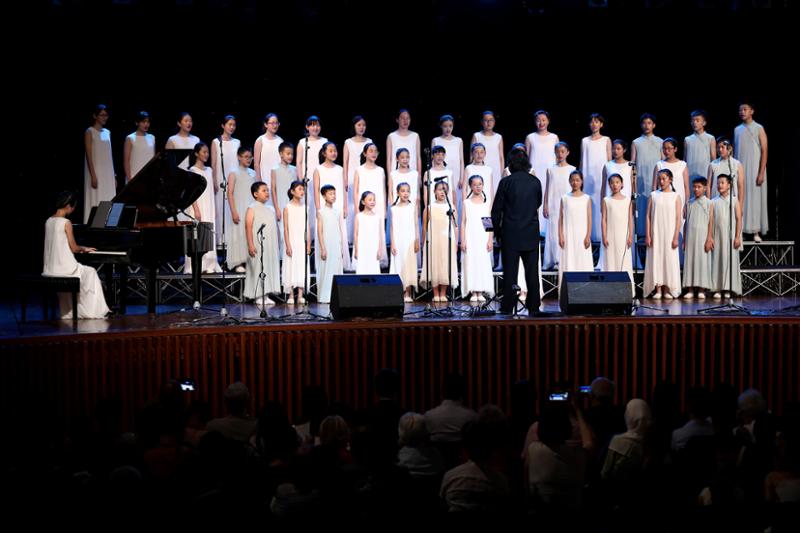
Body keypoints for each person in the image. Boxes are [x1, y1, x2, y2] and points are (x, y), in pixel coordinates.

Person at [44, 191, 110, 319]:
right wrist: (84, 248)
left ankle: (71, 311)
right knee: (91, 272)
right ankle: (92, 311)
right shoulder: (66, 222)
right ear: (68, 206)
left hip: (50, 268)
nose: (73, 210)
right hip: (65, 269)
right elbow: (74, 248)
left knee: (85, 274)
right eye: (73, 207)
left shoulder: (48, 221)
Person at [491, 147, 542, 314]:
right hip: (530, 233)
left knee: (510, 274)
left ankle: (507, 307)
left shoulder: (505, 182)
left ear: (510, 164)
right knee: (532, 273)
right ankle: (533, 307)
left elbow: (496, 211)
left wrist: (497, 233)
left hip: (510, 234)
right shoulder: (535, 182)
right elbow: (538, 203)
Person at [644, 169, 682, 299]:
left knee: (668, 259)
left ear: (670, 180)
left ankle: (667, 289)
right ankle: (658, 289)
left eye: (664, 179)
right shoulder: (653, 195)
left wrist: (676, 236)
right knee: (657, 258)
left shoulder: (675, 196)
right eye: (659, 179)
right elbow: (648, 216)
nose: (661, 181)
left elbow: (678, 218)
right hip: (656, 233)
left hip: (669, 233)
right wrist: (648, 235)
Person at [734, 101, 768, 242]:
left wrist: (761, 172)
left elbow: (764, 151)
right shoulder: (737, 130)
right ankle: (740, 230)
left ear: (752, 111)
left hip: (755, 169)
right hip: (740, 169)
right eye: (740, 110)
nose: (742, 112)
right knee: (741, 198)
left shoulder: (759, 128)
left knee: (755, 199)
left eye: (745, 109)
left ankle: (756, 231)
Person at [186, 142, 222, 274]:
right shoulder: (192, 171)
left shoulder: (209, 170)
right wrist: (196, 209)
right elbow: (191, 192)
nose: (206, 155)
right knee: (198, 234)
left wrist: (215, 208)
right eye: (204, 152)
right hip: (198, 206)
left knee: (209, 233)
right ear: (197, 153)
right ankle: (196, 265)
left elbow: (211, 191)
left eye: (207, 152)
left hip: (209, 205)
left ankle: (210, 264)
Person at [314, 141, 349, 271]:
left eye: (335, 151)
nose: (334, 153)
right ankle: (324, 260)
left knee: (338, 233)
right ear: (324, 153)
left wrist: (345, 206)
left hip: (337, 205)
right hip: (323, 207)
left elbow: (343, 189)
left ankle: (339, 262)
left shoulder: (340, 169)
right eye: (330, 151)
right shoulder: (318, 169)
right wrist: (318, 209)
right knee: (324, 232)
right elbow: (316, 190)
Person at [421, 182, 458, 302]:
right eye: (440, 189)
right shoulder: (430, 207)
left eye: (445, 190)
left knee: (445, 264)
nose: (442, 192)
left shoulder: (451, 207)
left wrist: (456, 242)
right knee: (434, 264)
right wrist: (423, 242)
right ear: (434, 192)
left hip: (447, 239)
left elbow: (455, 226)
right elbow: (424, 227)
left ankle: (443, 293)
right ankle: (435, 293)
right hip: (434, 239)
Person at [558, 170, 594, 293]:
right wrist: (560, 235)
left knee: (582, 260)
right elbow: (561, 218)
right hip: (568, 235)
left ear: (581, 181)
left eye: (577, 180)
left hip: (582, 235)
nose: (575, 182)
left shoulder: (586, 198)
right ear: (569, 181)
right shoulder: (565, 198)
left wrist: (588, 235)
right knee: (569, 260)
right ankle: (568, 291)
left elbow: (589, 218)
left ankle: (584, 290)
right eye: (573, 180)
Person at [245, 182, 280, 305]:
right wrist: (250, 244)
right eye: (264, 190)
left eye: (267, 190)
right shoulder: (252, 208)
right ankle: (258, 295)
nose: (267, 193)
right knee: (259, 268)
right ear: (255, 194)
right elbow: (248, 227)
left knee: (268, 267)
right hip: (258, 244)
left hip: (270, 245)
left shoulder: (270, 209)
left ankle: (266, 294)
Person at [460, 176, 494, 302]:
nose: (478, 186)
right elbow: (463, 222)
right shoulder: (467, 203)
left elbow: (488, 222)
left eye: (480, 184)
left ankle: (481, 291)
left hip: (482, 237)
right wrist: (463, 240)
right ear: (471, 186)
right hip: (470, 236)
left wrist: (490, 239)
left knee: (482, 262)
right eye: (475, 184)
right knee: (471, 262)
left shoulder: (486, 202)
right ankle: (473, 291)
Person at [579, 113, 612, 242]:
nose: (594, 124)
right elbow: (582, 160)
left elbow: (609, 160)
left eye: (597, 121)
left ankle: (601, 236)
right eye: (592, 122)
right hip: (588, 178)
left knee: (601, 204)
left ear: (601, 124)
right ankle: (589, 236)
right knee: (588, 205)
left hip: (601, 178)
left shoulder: (606, 140)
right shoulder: (585, 141)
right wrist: (580, 178)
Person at [601, 173, 635, 296]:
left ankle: (625, 290)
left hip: (623, 236)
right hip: (610, 236)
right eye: (612, 183)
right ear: (609, 185)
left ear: (622, 184)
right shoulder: (606, 200)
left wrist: (630, 236)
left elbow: (630, 219)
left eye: (617, 182)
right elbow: (604, 219)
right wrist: (604, 236)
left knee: (623, 261)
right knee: (611, 260)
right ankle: (610, 290)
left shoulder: (627, 200)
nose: (614, 185)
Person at [543, 142, 575, 269]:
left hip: (567, 203)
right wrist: (545, 205)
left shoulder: (572, 169)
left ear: (567, 153)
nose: (560, 154)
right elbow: (547, 188)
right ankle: (554, 259)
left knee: (566, 230)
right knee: (554, 231)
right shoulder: (550, 169)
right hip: (553, 204)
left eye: (563, 151)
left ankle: (564, 258)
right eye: (558, 152)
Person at [710, 174, 743, 298]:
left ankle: (728, 288)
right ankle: (717, 288)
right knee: (717, 260)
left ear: (729, 185)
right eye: (718, 183)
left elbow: (738, 219)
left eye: (722, 182)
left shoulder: (734, 200)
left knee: (729, 261)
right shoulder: (713, 201)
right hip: (717, 236)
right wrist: (710, 237)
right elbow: (711, 221)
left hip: (730, 236)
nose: (720, 185)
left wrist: (737, 237)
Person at [631, 113, 664, 236]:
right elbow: (633, 164)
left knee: (656, 207)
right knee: (641, 208)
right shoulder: (636, 142)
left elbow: (663, 163)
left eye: (649, 123)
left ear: (654, 125)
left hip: (657, 180)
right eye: (644, 123)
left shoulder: (660, 141)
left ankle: (655, 234)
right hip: (641, 180)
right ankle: (642, 235)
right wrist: (633, 182)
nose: (646, 126)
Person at [526, 110, 559, 229]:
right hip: (534, 173)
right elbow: (526, 158)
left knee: (549, 196)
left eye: (544, 120)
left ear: (548, 121)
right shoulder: (530, 137)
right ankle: (535, 228)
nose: (541, 123)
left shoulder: (554, 137)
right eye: (538, 120)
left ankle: (548, 229)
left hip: (549, 173)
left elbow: (558, 157)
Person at [83, 104, 116, 223]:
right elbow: (89, 155)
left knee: (108, 197)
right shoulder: (89, 131)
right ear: (95, 116)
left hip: (107, 173)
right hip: (96, 172)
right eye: (101, 115)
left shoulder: (108, 132)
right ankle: (94, 223)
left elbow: (109, 155)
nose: (104, 117)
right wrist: (93, 175)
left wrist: (114, 176)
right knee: (96, 197)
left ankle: (107, 223)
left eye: (106, 115)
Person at [682, 177, 713, 299]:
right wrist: (684, 239)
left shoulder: (709, 203)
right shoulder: (689, 203)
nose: (696, 189)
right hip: (691, 237)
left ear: (705, 188)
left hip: (702, 237)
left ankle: (701, 289)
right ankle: (690, 289)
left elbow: (711, 222)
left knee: (702, 261)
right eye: (694, 187)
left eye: (699, 187)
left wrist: (709, 238)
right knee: (690, 262)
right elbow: (686, 222)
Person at [226, 147, 256, 273]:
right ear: (239, 157)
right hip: (238, 207)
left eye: (250, 157)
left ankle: (249, 260)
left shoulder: (253, 173)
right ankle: (237, 262)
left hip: (250, 207)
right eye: (246, 157)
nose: (248, 159)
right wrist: (233, 211)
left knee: (249, 234)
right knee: (238, 233)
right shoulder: (234, 173)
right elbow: (230, 193)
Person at [343, 116, 372, 243]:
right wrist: (345, 179)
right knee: (352, 206)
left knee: (365, 203)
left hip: (365, 176)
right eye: (359, 125)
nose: (361, 127)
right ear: (354, 126)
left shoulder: (369, 141)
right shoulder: (348, 142)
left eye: (363, 125)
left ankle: (365, 235)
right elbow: (345, 162)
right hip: (351, 178)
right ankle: (352, 236)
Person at [316, 185, 346, 304]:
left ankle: (336, 296)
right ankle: (325, 296)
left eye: (334, 193)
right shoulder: (321, 212)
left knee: (336, 269)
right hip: (326, 244)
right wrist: (323, 248)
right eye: (330, 194)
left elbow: (340, 230)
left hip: (336, 243)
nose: (333, 196)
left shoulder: (337, 211)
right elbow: (320, 231)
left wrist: (341, 247)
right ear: (324, 196)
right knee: (326, 269)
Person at [389, 182, 419, 302]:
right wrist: (393, 243)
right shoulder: (394, 209)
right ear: (398, 193)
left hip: (410, 239)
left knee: (409, 265)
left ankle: (408, 293)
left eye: (407, 191)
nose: (405, 193)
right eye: (402, 191)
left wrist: (417, 240)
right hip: (398, 240)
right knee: (399, 263)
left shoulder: (413, 207)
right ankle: (398, 293)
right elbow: (392, 227)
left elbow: (416, 225)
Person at [282, 181, 311, 304]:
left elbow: (307, 227)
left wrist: (308, 244)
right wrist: (288, 245)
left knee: (301, 266)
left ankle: (300, 294)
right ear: (292, 191)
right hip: (291, 240)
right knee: (291, 265)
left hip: (301, 241)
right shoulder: (287, 207)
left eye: (303, 189)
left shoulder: (305, 208)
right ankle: (290, 295)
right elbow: (285, 228)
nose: (302, 191)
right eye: (299, 189)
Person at [432, 114, 464, 216]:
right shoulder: (436, 140)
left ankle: (456, 223)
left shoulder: (458, 140)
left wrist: (461, 178)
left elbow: (461, 160)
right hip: (441, 173)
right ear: (441, 126)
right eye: (445, 126)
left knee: (455, 199)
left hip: (456, 174)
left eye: (450, 126)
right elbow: (433, 160)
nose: (448, 129)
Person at [471, 110, 504, 200]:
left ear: (494, 122)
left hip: (495, 170)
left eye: (491, 120)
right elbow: (472, 155)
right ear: (482, 122)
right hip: (480, 168)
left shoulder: (498, 137)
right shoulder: (477, 136)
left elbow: (501, 157)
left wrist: (502, 173)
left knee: (494, 194)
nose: (488, 122)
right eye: (486, 120)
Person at [271, 142, 296, 257]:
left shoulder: (294, 170)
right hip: (281, 203)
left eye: (292, 154)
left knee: (292, 229)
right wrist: (276, 208)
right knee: (282, 230)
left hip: (293, 204)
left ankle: (292, 254)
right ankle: (282, 257)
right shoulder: (275, 169)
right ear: (281, 154)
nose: (290, 156)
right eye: (288, 154)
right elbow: (273, 189)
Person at [707, 137, 745, 205]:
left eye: (722, 147)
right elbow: (708, 185)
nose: (720, 149)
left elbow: (740, 187)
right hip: (715, 203)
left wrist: (740, 205)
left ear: (729, 148)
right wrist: (708, 204)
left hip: (732, 203)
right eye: (718, 147)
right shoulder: (713, 165)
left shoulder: (737, 165)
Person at [353, 191, 383, 275]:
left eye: (374, 200)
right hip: (362, 248)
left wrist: (380, 249)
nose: (372, 202)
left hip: (373, 248)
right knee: (362, 270)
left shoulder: (377, 217)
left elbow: (379, 235)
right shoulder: (359, 216)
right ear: (363, 202)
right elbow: (356, 234)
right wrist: (356, 250)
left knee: (373, 269)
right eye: (370, 200)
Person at [684, 109, 716, 185]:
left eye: (697, 120)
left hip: (705, 174)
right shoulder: (687, 139)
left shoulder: (710, 138)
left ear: (704, 123)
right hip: (690, 174)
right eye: (693, 120)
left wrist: (712, 175)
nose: (694, 122)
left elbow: (713, 159)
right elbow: (684, 160)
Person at [123, 110, 155, 182]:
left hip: (149, 178)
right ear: (137, 123)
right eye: (143, 122)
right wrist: (129, 179)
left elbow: (153, 160)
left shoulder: (152, 137)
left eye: (148, 122)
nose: (146, 124)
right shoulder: (130, 138)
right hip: (134, 177)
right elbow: (126, 161)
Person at [386, 108, 421, 173]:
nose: (405, 120)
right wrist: (389, 175)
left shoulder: (415, 136)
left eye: (408, 118)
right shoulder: (391, 136)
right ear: (397, 120)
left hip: (412, 172)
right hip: (396, 173)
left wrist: (419, 174)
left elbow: (418, 157)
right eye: (403, 118)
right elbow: (389, 158)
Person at [254, 113, 283, 187]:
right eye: (272, 123)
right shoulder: (260, 140)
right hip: (264, 178)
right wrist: (259, 180)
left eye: (276, 123)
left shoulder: (280, 141)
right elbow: (256, 163)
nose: (275, 125)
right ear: (266, 124)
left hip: (278, 179)